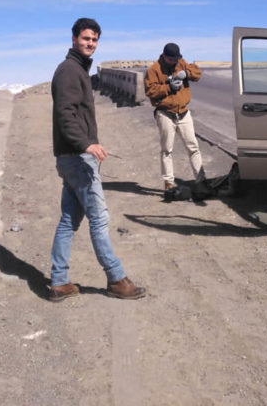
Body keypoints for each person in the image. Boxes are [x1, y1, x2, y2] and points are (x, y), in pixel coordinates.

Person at [48, 17, 147, 302]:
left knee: (68, 220)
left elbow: (72, 115)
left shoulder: (76, 69)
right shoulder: (69, 71)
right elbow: (65, 115)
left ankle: (59, 281)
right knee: (99, 219)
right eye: (86, 38)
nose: (90, 43)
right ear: (74, 39)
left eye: (94, 40)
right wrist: (86, 144)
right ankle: (116, 279)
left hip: (70, 158)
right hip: (78, 158)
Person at [144, 42, 205, 192]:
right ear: (164, 56)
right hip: (165, 114)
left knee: (193, 147)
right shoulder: (154, 70)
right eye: (171, 59)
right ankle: (169, 183)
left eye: (176, 59)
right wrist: (168, 87)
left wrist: (187, 73)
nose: (174, 62)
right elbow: (150, 91)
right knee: (167, 150)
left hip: (184, 113)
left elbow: (197, 74)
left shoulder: (181, 63)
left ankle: (202, 181)